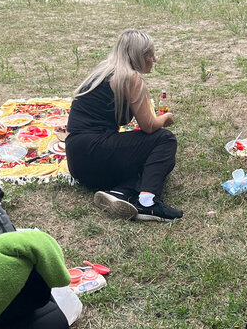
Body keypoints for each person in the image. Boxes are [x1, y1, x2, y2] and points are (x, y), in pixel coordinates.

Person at [65, 29, 182, 222]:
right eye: (150, 55)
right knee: (165, 140)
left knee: (153, 162)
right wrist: (166, 118)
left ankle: (120, 192)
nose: (154, 59)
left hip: (78, 163)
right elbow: (149, 126)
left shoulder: (103, 71)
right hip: (95, 151)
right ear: (138, 55)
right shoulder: (130, 77)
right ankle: (147, 203)